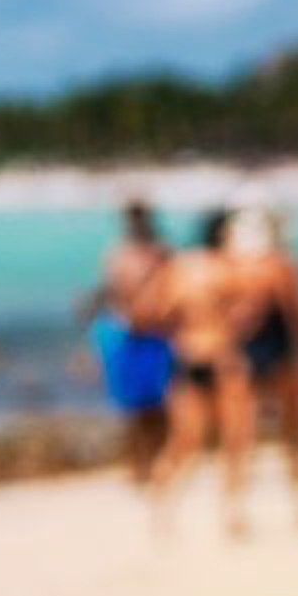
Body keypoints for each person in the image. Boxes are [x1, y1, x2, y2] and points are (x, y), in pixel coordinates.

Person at [131, 208, 257, 539]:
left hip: (185, 356)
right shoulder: (228, 268)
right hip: (222, 358)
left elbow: (145, 313)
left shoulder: (178, 268)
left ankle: (161, 514)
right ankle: (232, 515)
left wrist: (180, 328)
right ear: (225, 235)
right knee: (236, 440)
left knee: (183, 443)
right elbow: (251, 312)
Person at [226, 204, 298, 531]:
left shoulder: (230, 265)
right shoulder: (284, 266)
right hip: (278, 351)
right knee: (293, 431)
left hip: (241, 354)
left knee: (241, 435)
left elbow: (219, 319)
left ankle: (235, 512)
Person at [81, 198, 175, 486]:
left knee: (160, 405)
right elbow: (108, 291)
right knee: (131, 408)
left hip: (157, 333)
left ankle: (158, 462)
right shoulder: (118, 254)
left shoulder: (161, 252)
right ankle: (139, 465)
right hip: (127, 334)